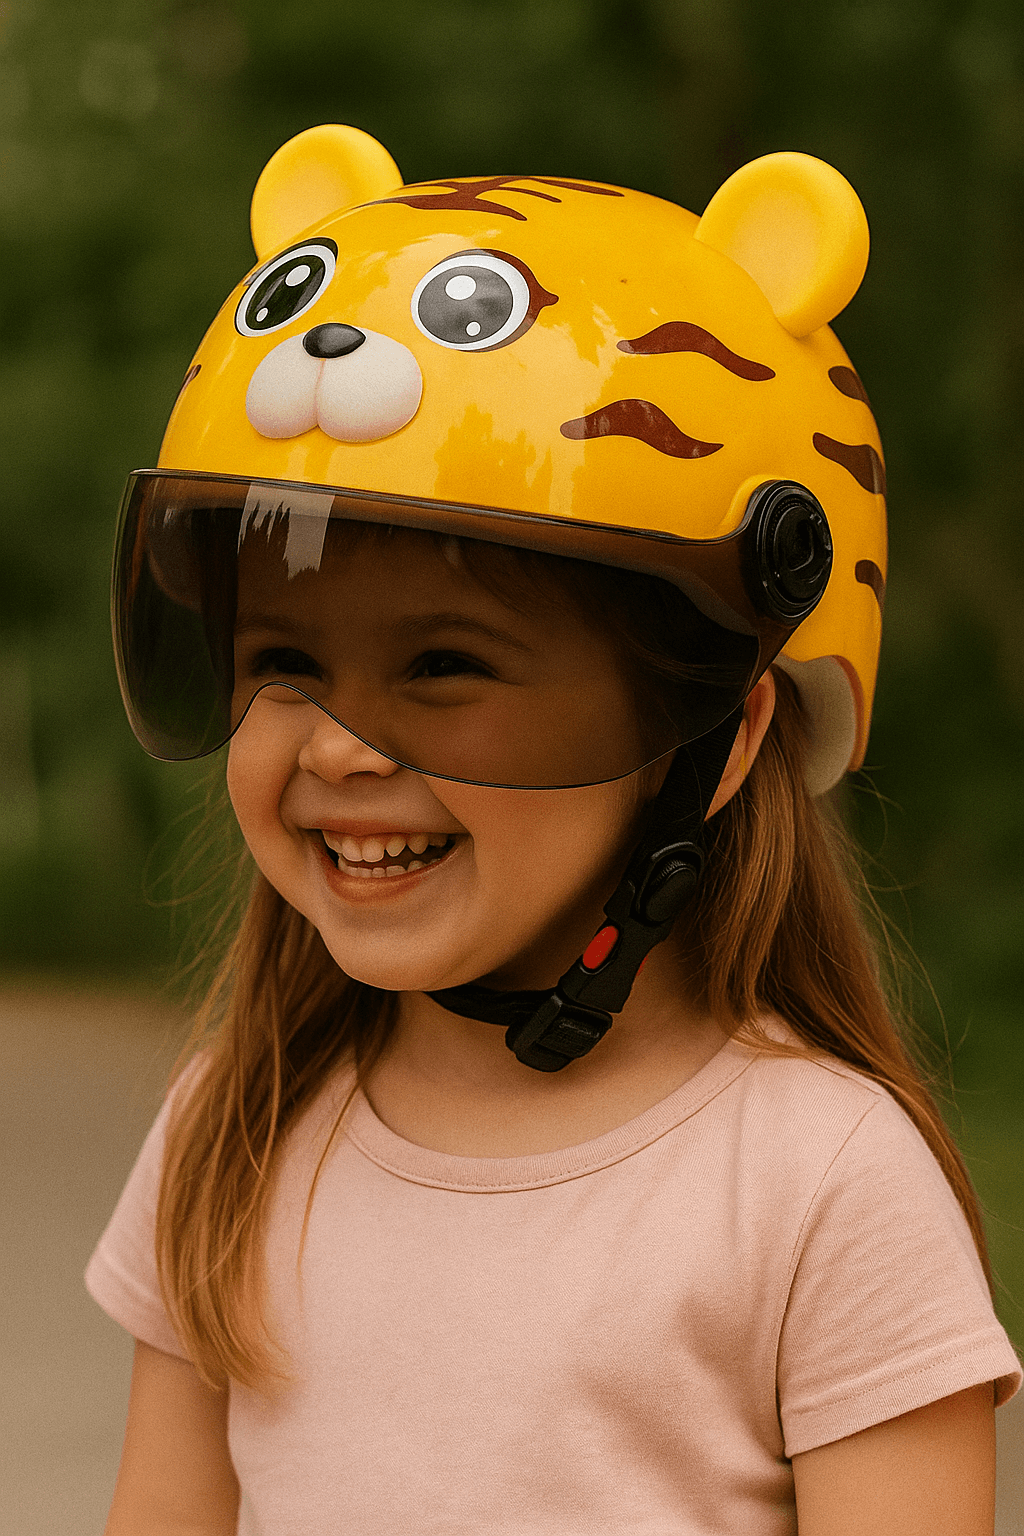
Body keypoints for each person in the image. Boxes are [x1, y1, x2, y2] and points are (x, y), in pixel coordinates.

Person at [87, 125, 1020, 1535]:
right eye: (284, 665)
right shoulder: (237, 1124)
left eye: (448, 668)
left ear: (717, 742)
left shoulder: (820, 1184)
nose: (342, 744)